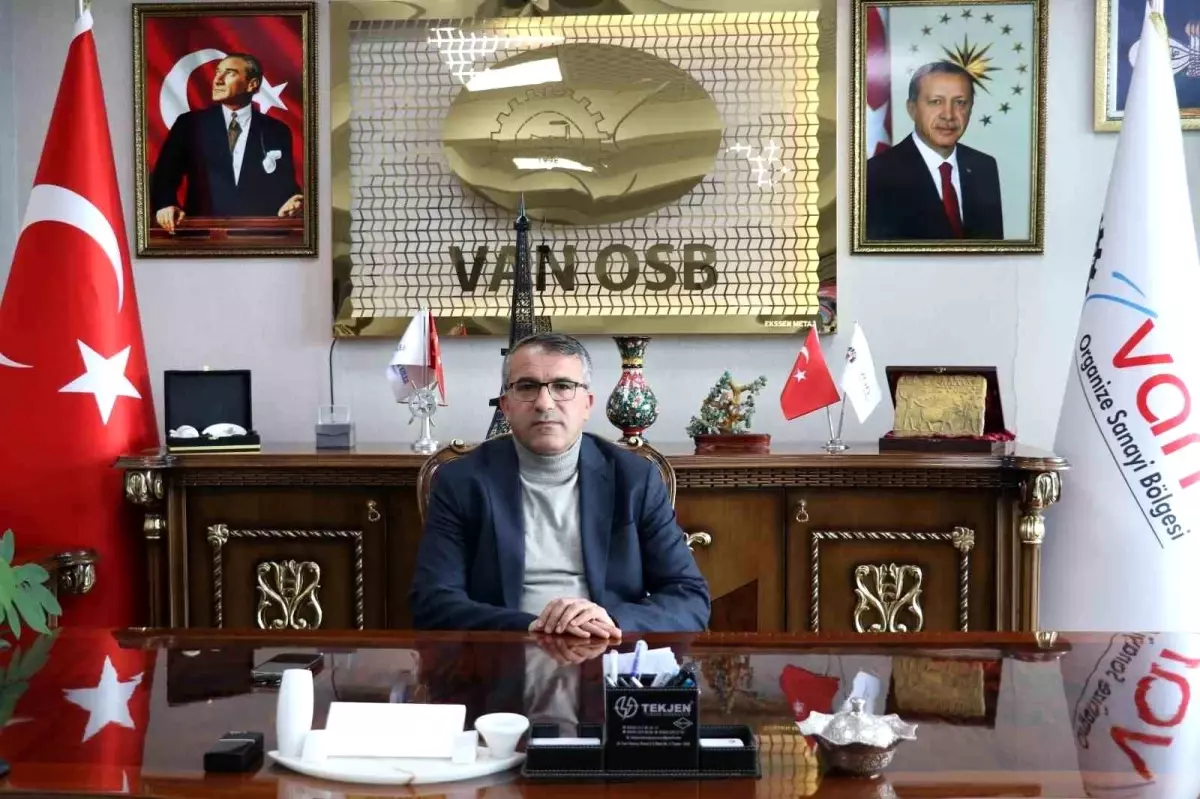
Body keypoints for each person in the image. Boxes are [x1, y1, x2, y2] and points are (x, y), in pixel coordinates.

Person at [409, 332, 711, 636]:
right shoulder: (462, 481)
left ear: (587, 405)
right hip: (506, 651)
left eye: (563, 386)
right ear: (506, 406)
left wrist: (613, 621)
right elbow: (432, 602)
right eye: (527, 387)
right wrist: (532, 627)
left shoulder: (634, 478)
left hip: (608, 649)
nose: (544, 403)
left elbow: (689, 597)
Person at [150, 53, 303, 231]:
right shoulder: (190, 124)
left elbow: (285, 184)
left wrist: (295, 200)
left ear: (252, 84)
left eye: (230, 73)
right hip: (202, 235)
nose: (217, 80)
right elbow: (164, 178)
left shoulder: (276, 130)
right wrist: (165, 205)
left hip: (259, 236)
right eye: (217, 72)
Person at [865, 61, 1003, 240]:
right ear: (912, 109)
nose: (948, 115)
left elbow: (992, 251)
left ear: (970, 109)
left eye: (960, 102)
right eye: (936, 102)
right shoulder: (876, 174)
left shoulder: (984, 167)